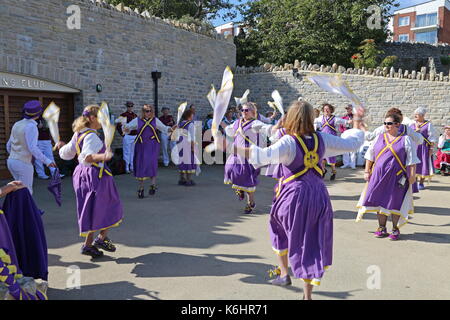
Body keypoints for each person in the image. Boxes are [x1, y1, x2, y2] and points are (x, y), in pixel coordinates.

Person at [215, 100, 365, 300]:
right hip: (319, 195)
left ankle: (284, 273)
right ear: (312, 118)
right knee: (310, 241)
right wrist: (357, 122)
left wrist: (229, 147)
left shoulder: (289, 142)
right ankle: (307, 295)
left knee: (279, 229)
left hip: (293, 196)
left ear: (292, 118)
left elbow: (262, 156)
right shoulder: (323, 139)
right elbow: (352, 144)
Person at [58, 105, 124, 258]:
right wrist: (104, 156)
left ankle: (89, 244)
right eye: (101, 118)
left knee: (93, 209)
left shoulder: (78, 134)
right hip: (95, 176)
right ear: (93, 118)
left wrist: (61, 147)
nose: (103, 122)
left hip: (81, 175)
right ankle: (100, 239)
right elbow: (87, 157)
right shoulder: (92, 136)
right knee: (110, 206)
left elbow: (66, 154)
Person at [357, 113, 419, 240]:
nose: (386, 126)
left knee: (395, 202)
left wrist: (412, 175)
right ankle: (381, 227)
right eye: (385, 123)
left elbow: (411, 160)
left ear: (397, 124)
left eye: (389, 123)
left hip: (397, 177)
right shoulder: (379, 138)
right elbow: (370, 155)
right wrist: (367, 171)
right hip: (378, 175)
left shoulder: (406, 139)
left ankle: (395, 229)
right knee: (379, 200)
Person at [223, 102, 275, 214]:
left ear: (253, 112)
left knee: (247, 179)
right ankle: (240, 188)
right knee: (229, 168)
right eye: (242, 110)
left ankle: (250, 203)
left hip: (249, 156)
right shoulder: (237, 122)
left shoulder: (255, 123)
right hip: (236, 153)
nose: (244, 112)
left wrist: (277, 128)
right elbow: (229, 130)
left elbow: (266, 128)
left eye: (246, 110)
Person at [6, 100, 58, 194]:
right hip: (23, 163)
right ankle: (23, 209)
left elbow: (8, 145)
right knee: (26, 191)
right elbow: (32, 148)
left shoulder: (17, 124)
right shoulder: (31, 126)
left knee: (18, 190)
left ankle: (17, 208)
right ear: (38, 114)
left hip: (11, 161)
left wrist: (15, 155)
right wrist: (47, 161)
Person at [123, 104, 173, 198]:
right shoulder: (137, 120)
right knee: (141, 165)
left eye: (150, 111)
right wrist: (125, 128)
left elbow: (164, 128)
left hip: (153, 145)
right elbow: (128, 127)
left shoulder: (155, 120)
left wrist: (171, 128)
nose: (148, 113)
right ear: (143, 111)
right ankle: (141, 188)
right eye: (146, 111)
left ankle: (153, 185)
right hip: (141, 145)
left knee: (152, 164)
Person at [314, 103, 350, 180]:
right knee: (322, 156)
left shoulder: (335, 118)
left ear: (331, 110)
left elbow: (344, 121)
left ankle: (333, 171)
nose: (326, 110)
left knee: (331, 156)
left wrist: (349, 121)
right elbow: (313, 121)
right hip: (323, 140)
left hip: (331, 140)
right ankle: (323, 170)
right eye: (325, 109)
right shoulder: (320, 118)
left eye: (327, 109)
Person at [410, 107, 437, 190]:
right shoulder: (412, 124)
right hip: (414, 147)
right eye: (415, 115)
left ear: (422, 116)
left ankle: (421, 183)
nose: (415, 116)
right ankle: (414, 182)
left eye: (417, 115)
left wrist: (431, 148)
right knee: (414, 163)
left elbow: (432, 137)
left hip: (424, 148)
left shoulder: (428, 125)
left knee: (423, 164)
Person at [173, 109, 200, 186]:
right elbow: (192, 137)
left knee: (182, 160)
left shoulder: (181, 123)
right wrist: (193, 147)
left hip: (180, 142)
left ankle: (181, 179)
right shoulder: (190, 124)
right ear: (189, 116)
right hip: (187, 143)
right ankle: (188, 180)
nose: (193, 116)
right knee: (189, 161)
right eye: (192, 114)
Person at [116, 101, 138, 173]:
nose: (130, 108)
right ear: (127, 107)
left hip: (134, 135)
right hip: (127, 136)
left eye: (131, 106)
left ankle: (132, 167)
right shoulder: (123, 115)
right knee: (126, 152)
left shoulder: (135, 115)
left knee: (133, 152)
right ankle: (126, 168)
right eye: (129, 106)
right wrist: (123, 134)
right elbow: (118, 126)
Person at [340, 105, 356, 169]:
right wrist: (343, 132)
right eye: (347, 109)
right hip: (345, 133)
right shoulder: (343, 117)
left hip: (353, 134)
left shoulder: (355, 117)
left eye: (349, 109)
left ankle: (353, 164)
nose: (347, 110)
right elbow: (340, 126)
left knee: (353, 150)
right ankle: (346, 163)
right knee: (345, 149)